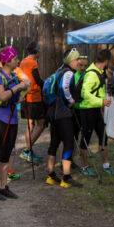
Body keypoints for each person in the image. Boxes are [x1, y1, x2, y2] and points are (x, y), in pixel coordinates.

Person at [0, 47, 29, 200]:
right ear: (8, 60)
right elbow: (2, 96)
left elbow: (11, 98)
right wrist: (18, 87)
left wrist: (20, 98)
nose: (18, 61)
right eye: (15, 58)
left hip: (12, 119)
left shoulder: (14, 76)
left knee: (6, 154)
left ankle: (4, 187)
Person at [44, 49, 83, 189]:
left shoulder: (59, 70)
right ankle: (66, 177)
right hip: (63, 113)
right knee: (68, 143)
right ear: (71, 60)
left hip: (53, 112)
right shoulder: (68, 72)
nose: (79, 61)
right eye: (77, 59)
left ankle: (51, 176)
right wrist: (71, 101)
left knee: (54, 143)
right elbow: (64, 87)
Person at [75, 49, 114, 176]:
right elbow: (84, 93)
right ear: (107, 61)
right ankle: (84, 166)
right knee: (86, 139)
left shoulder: (98, 71)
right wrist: (101, 102)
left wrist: (100, 103)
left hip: (95, 109)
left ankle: (106, 164)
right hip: (87, 110)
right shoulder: (92, 74)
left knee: (103, 136)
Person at [16, 41, 46, 163]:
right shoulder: (32, 63)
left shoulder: (23, 61)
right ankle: (27, 150)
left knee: (30, 125)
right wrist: (47, 84)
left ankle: (29, 152)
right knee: (41, 124)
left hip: (26, 96)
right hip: (34, 97)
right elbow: (37, 80)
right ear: (36, 50)